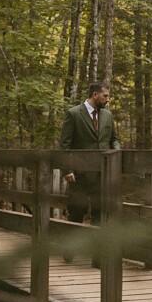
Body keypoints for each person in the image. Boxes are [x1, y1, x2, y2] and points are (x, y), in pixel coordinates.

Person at [60, 82, 120, 262]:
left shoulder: (108, 116)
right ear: (95, 95)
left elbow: (114, 139)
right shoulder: (73, 114)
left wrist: (116, 152)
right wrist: (67, 169)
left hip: (102, 174)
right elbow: (65, 145)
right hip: (79, 175)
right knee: (76, 213)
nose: (107, 99)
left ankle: (98, 258)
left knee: (99, 215)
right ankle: (69, 252)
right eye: (105, 96)